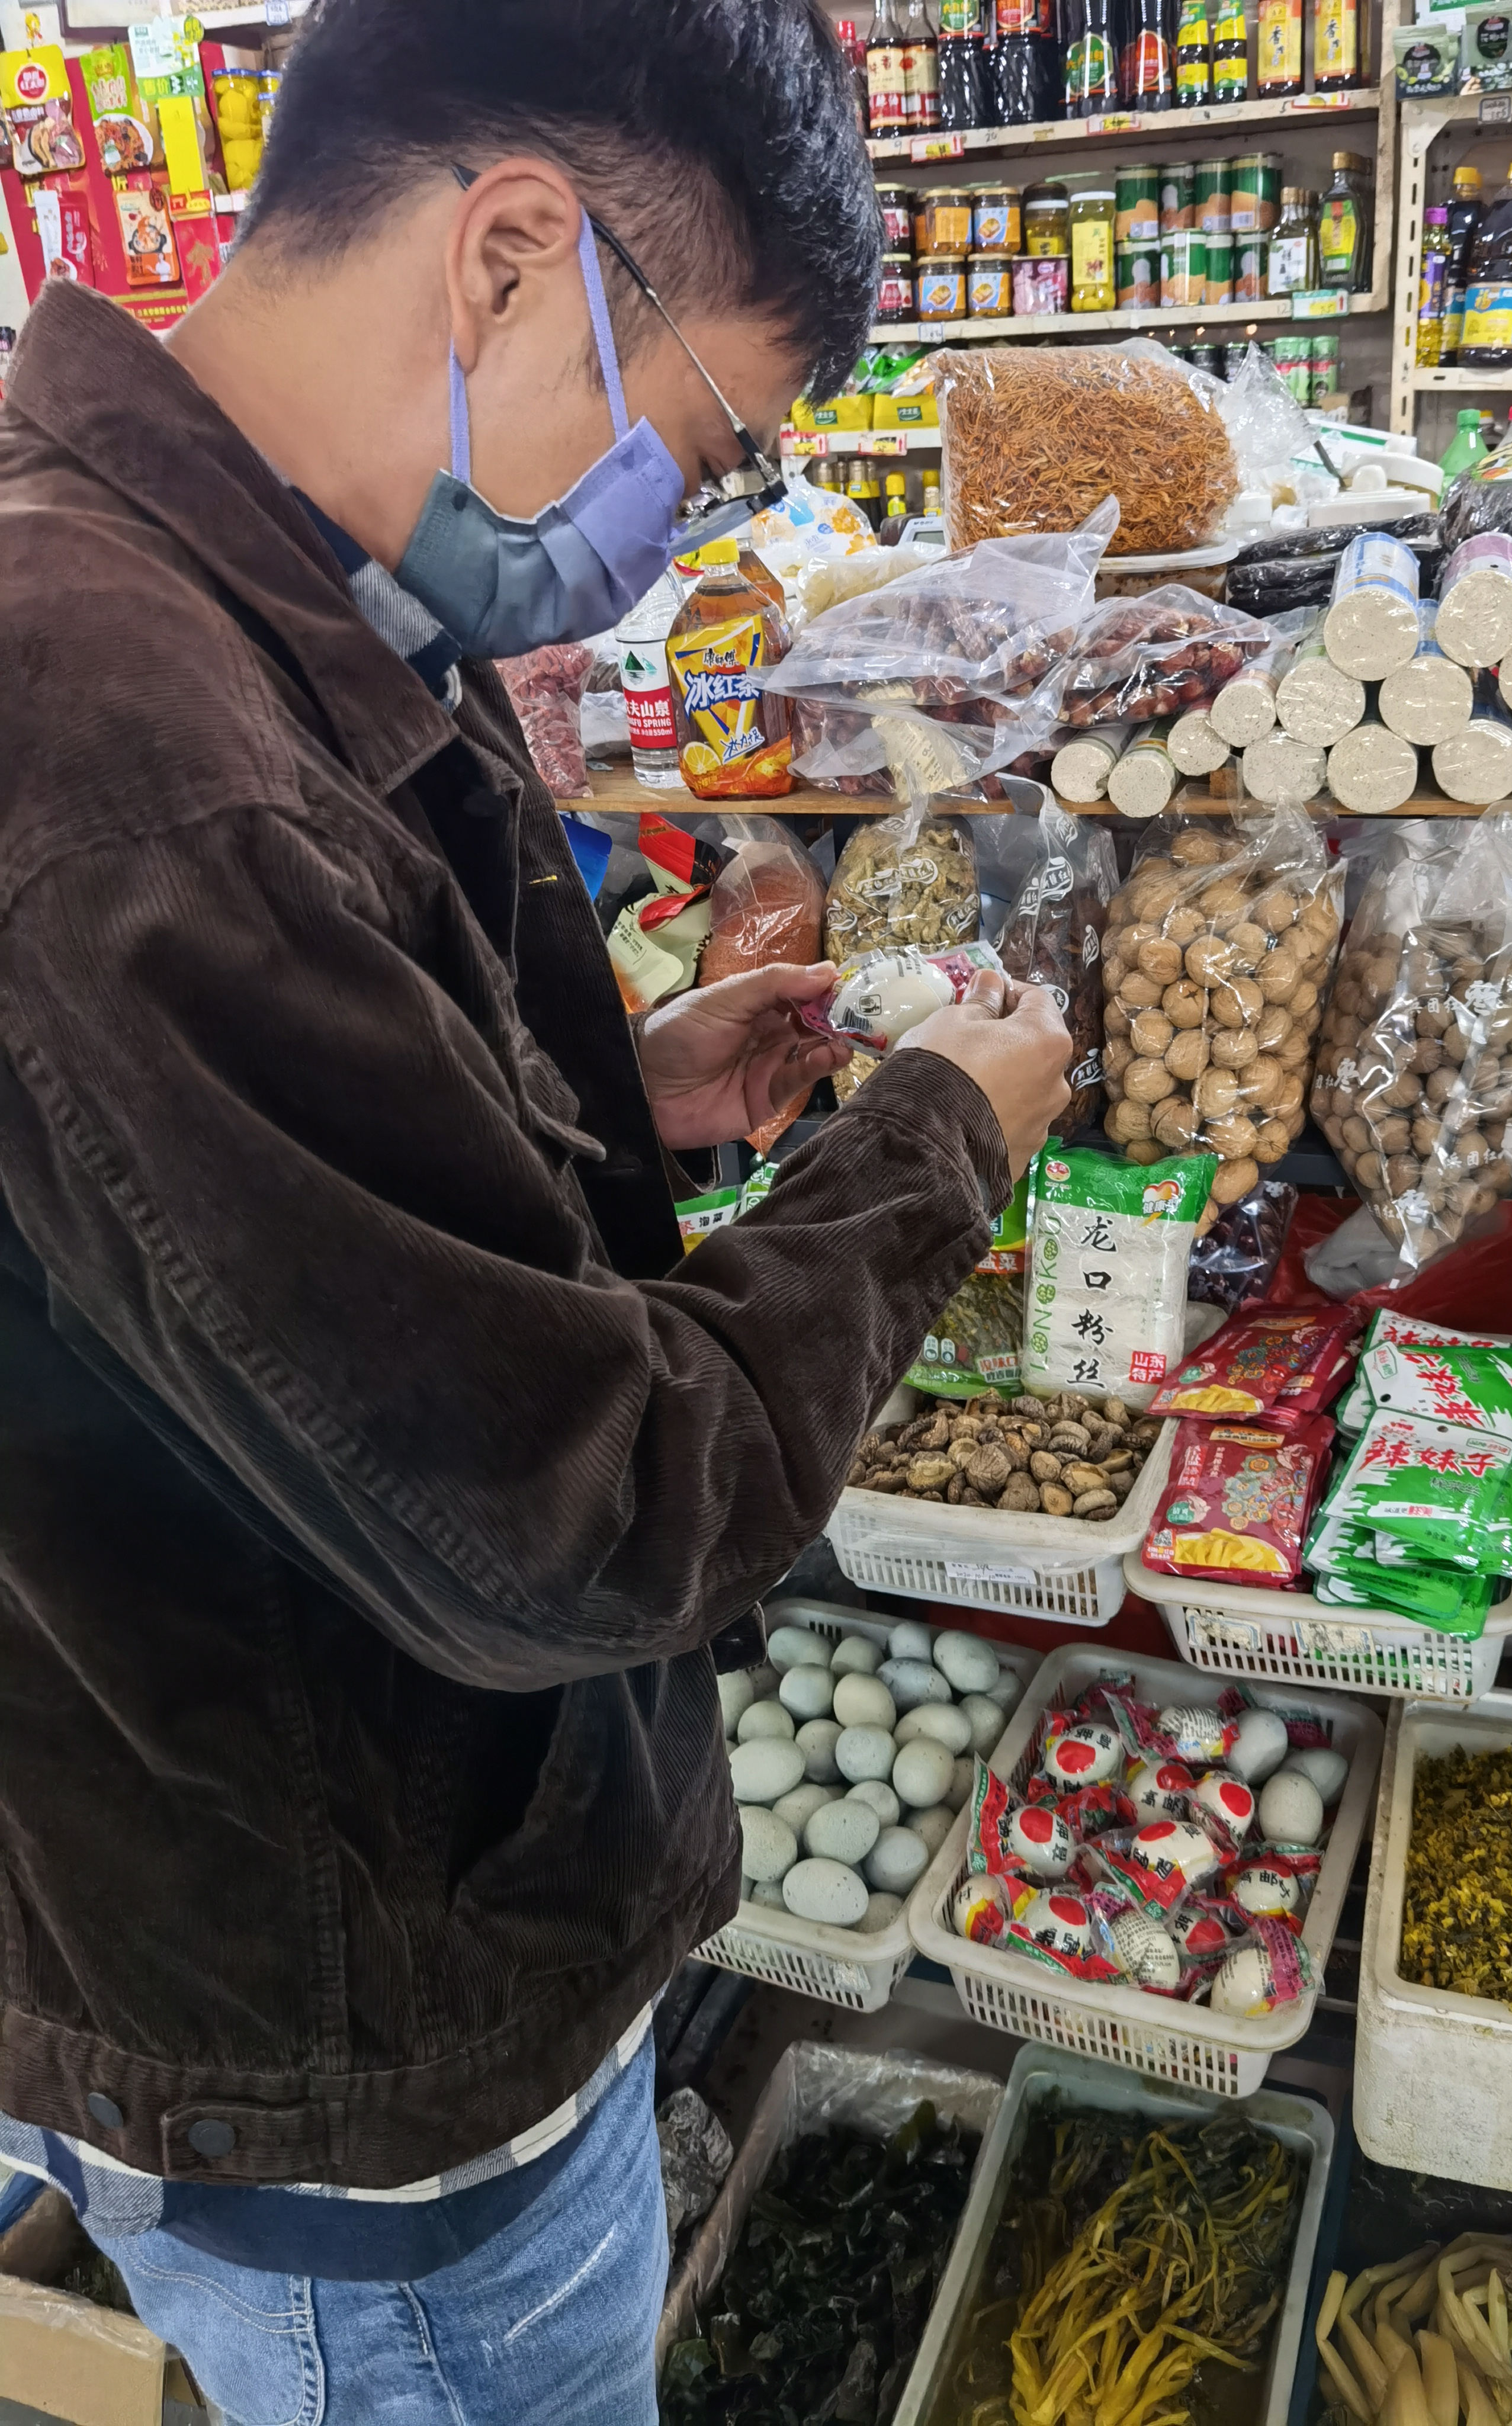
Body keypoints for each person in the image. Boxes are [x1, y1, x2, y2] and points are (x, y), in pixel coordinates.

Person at [0, 0, 1072, 2416]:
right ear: (508, 259)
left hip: (394, 1888)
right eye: (700, 449)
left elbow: (264, 1220)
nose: (679, 534)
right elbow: (581, 1521)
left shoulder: (293, 585)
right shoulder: (126, 747)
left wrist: (616, 1093)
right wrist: (933, 1146)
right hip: (358, 2057)